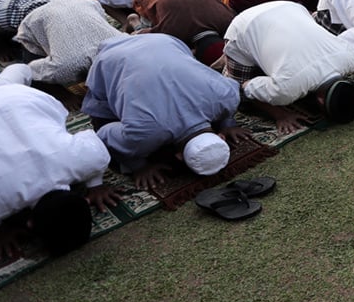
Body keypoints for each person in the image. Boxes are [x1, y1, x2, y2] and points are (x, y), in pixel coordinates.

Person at [0, 84, 116, 266]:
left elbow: (95, 149)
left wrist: (95, 185)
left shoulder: (81, 160)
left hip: (15, 95)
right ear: (29, 224)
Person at [81, 34, 245, 189]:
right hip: (109, 60)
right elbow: (102, 135)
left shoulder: (227, 98)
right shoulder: (143, 135)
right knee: (110, 132)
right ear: (179, 156)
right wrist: (139, 166)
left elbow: (230, 88)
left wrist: (228, 122)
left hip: (163, 40)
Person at [220, 0, 354, 133]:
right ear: (319, 101)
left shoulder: (350, 59)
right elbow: (246, 86)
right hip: (242, 28)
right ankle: (229, 60)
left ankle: (237, 58)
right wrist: (280, 115)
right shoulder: (286, 91)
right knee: (238, 94)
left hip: (289, 7)